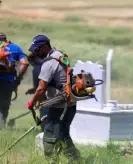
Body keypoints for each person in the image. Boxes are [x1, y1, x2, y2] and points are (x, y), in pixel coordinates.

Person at [26, 34, 81, 163]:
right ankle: (76, 160)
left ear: (45, 47)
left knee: (50, 137)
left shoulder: (49, 63)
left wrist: (31, 102)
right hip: (69, 104)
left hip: (60, 107)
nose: (35, 52)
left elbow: (41, 89)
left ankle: (53, 161)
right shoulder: (60, 55)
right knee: (62, 135)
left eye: (37, 49)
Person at [0, 32, 28, 131]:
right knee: (3, 105)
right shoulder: (15, 48)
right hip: (6, 81)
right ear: (6, 40)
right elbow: (24, 63)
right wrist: (18, 79)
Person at [25, 52, 49, 131]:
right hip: (55, 94)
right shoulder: (48, 64)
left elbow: (39, 88)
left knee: (44, 113)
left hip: (45, 97)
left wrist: (36, 100)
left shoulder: (36, 69)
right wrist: (31, 90)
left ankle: (46, 131)